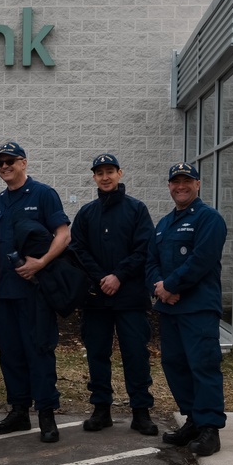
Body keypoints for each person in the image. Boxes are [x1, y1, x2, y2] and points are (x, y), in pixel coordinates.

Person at [69, 153, 158, 436]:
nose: (105, 177)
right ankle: (101, 409)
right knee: (97, 353)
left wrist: (118, 276)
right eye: (99, 173)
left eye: (110, 171)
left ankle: (141, 412)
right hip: (96, 298)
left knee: (135, 354)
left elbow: (144, 249)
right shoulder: (86, 213)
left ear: (120, 173)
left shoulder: (137, 210)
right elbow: (78, 250)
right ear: (93, 177)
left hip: (130, 297)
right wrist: (101, 278)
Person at [0, 141, 70, 443]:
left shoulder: (43, 194)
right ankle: (19, 411)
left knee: (39, 351)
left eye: (10, 161)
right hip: (8, 292)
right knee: (11, 354)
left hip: (36, 292)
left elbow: (63, 234)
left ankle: (46, 414)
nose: (5, 166)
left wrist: (42, 262)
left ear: (24, 162)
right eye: (0, 163)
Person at [146, 162, 228, 457]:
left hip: (198, 308)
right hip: (170, 310)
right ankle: (193, 420)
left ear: (198, 184)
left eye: (186, 181)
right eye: (175, 181)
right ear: (169, 186)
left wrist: (171, 286)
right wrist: (159, 288)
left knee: (203, 366)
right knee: (176, 366)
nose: (180, 186)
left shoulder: (209, 219)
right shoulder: (165, 223)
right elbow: (151, 261)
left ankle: (210, 429)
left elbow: (201, 260)